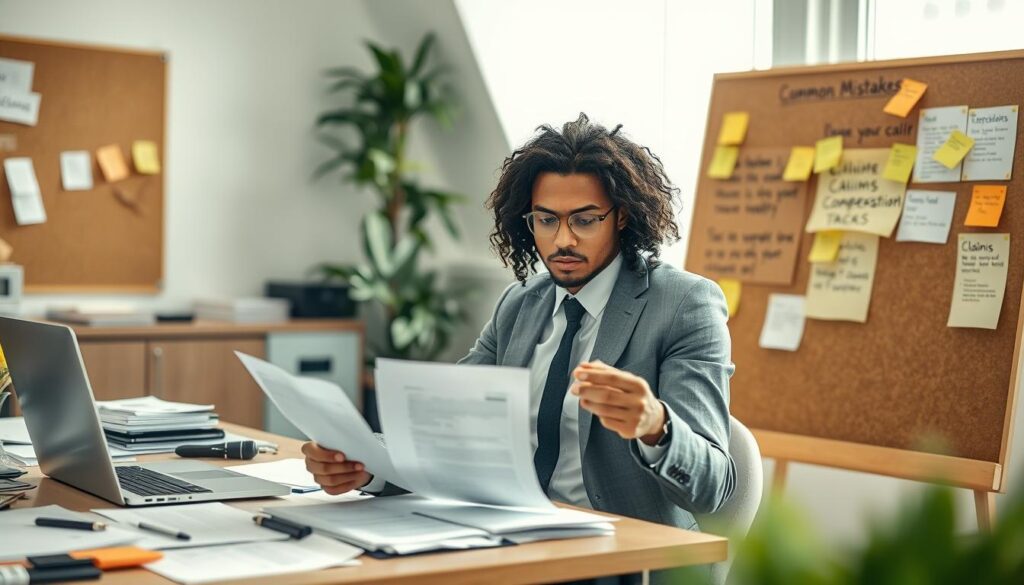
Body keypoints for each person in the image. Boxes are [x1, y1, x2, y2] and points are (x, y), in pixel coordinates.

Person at [303, 113, 735, 535]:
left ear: (621, 216)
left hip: (625, 557)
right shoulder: (520, 304)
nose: (563, 239)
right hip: (512, 538)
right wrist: (363, 466)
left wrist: (656, 426)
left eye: (584, 220)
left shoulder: (684, 305)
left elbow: (714, 487)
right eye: (547, 220)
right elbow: (445, 429)